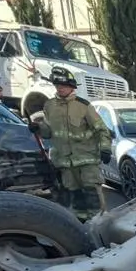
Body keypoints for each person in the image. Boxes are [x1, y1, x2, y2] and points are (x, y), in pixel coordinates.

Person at [29, 67, 111, 219]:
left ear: (71, 87)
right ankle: (82, 228)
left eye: (63, 86)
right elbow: (48, 132)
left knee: (92, 196)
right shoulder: (50, 106)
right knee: (76, 198)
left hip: (87, 160)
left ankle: (100, 227)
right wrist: (38, 128)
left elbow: (102, 130)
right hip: (65, 163)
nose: (60, 89)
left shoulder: (83, 106)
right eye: (57, 86)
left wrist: (105, 148)